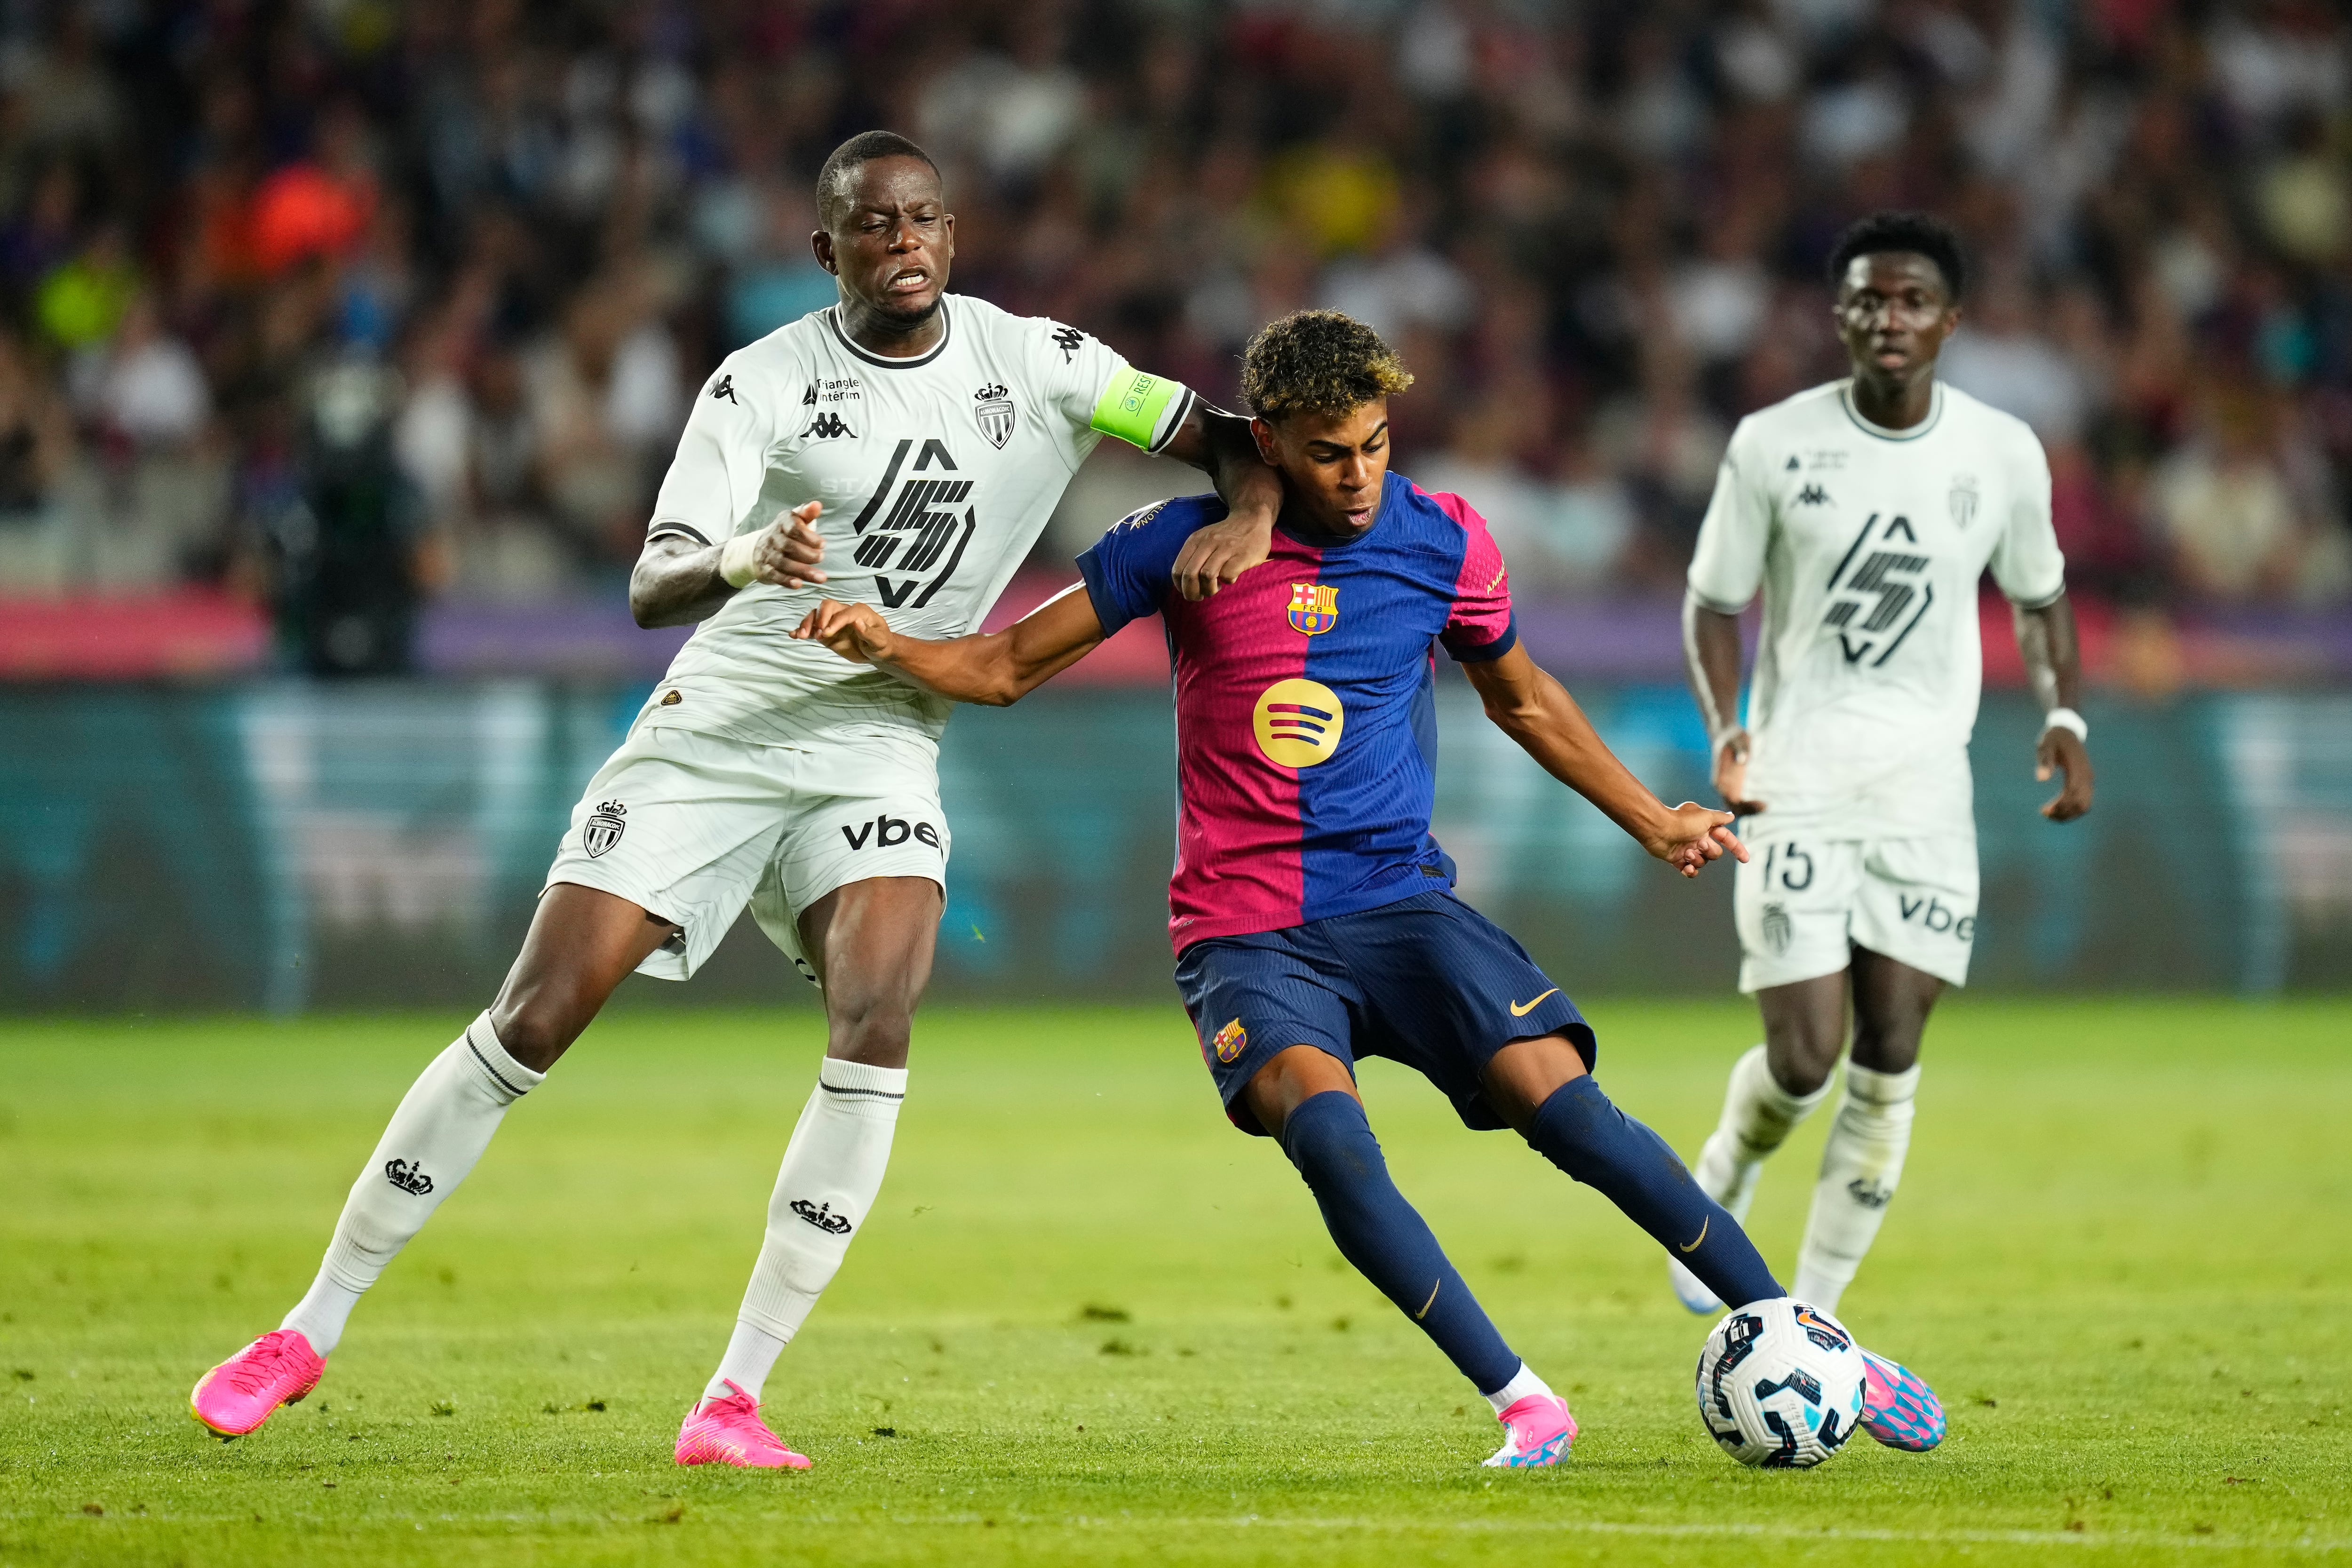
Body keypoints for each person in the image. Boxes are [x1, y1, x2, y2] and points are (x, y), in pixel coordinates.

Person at [188, 131, 1282, 1467]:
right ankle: (308, 1324)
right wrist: (745, 552)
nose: (905, 243)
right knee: (534, 1018)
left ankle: (734, 1398)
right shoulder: (759, 385)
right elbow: (652, 585)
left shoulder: (1047, 366)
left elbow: (1230, 441)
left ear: (953, 231)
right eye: (873, 227)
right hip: (722, 729)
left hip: (882, 731)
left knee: (879, 1009)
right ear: (824, 252)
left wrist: (1253, 512)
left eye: (925, 218)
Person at [793, 310, 1942, 1464]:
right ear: (1272, 443)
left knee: (1573, 1111)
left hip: (1399, 902)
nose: (1359, 475)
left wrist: (1654, 819)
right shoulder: (1180, 546)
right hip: (1247, 931)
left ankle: (1807, 1332)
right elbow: (999, 668)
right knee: (1334, 1143)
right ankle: (1525, 1400)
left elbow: (1524, 697)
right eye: (1331, 451)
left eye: (1377, 444)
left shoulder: (1443, 540)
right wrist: (882, 640)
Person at [1669, 212, 2092, 1353]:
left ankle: (1809, 1320)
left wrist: (2060, 708)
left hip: (1922, 790)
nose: (1886, 318)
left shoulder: (2000, 451)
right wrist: (1728, 729)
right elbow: (1713, 601)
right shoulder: (1771, 442)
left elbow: (2041, 594)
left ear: (1950, 321)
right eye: (1866, 298)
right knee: (1804, 1058)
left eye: (1910, 301)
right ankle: (1731, 1158)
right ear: (1839, 313)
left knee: (1891, 1050)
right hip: (1796, 778)